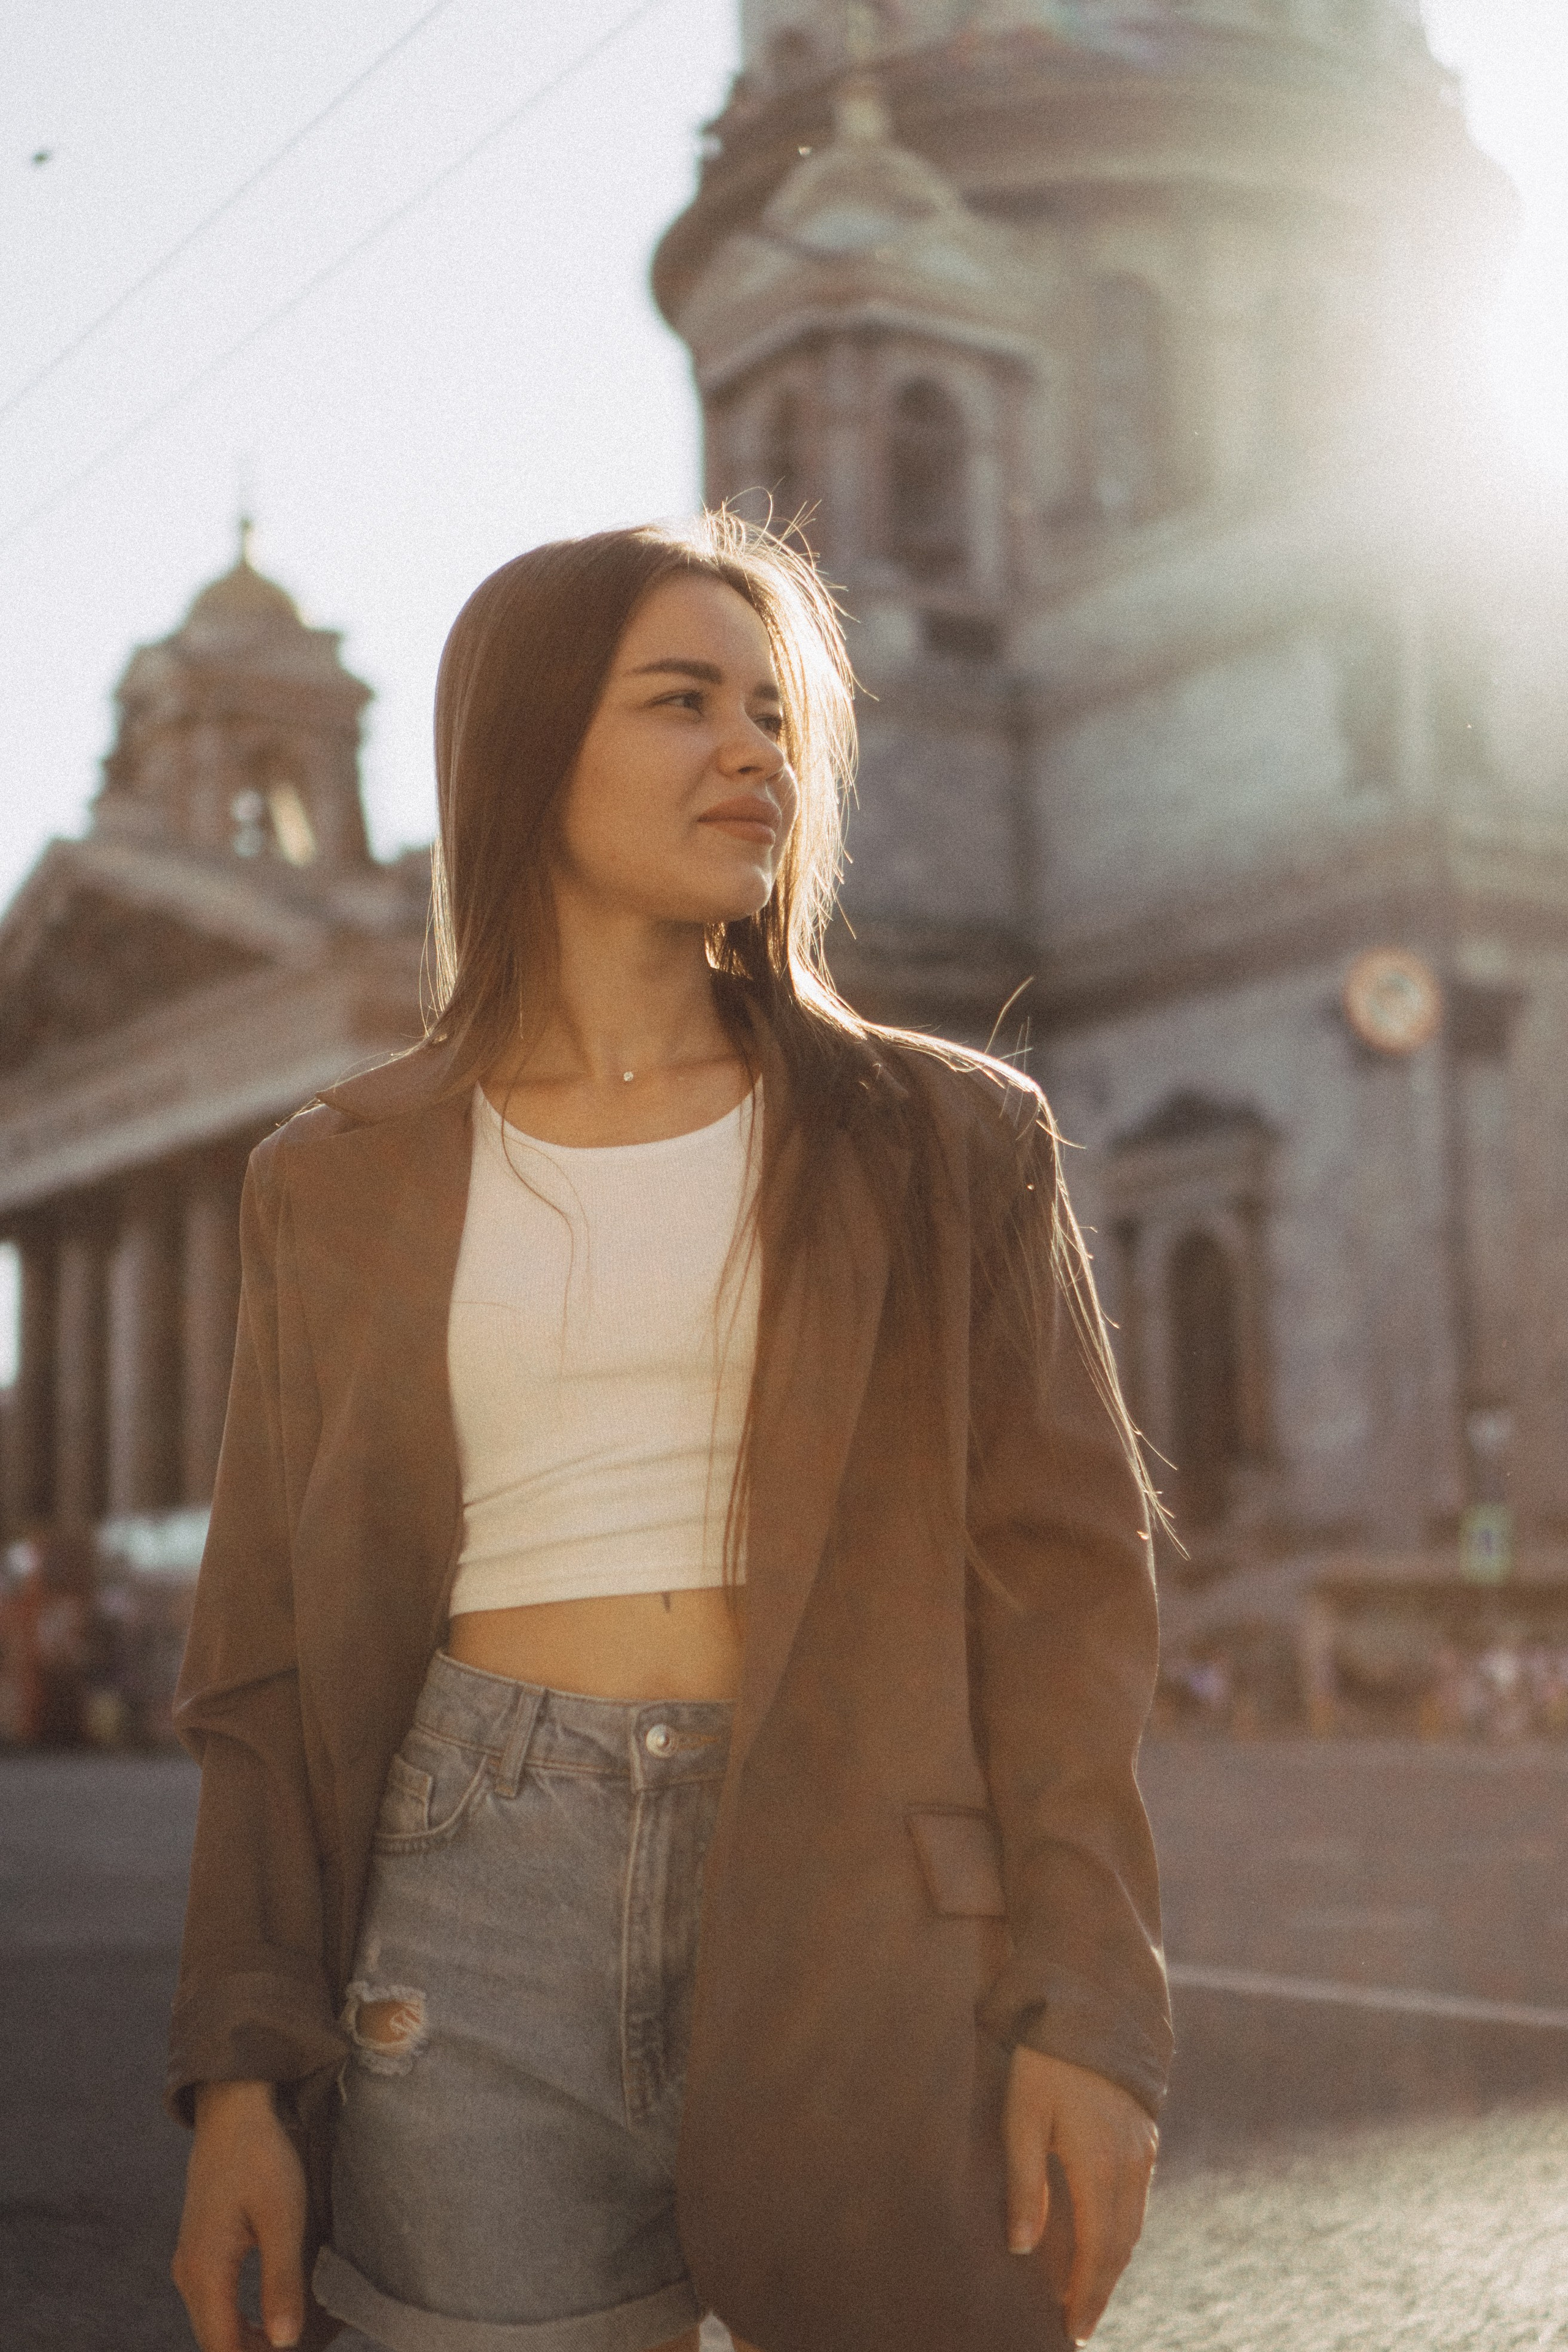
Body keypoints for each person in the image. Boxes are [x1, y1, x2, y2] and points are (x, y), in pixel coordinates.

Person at [168, 514, 1171, 2352]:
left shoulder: (952, 1139)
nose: (755, 753)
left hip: (869, 1899)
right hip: (469, 1908)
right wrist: (243, 2074)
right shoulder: (329, 1181)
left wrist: (1092, 2013)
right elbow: (266, 1660)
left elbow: (1068, 1605)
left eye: (778, 713)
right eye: (685, 702)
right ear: (531, 747)